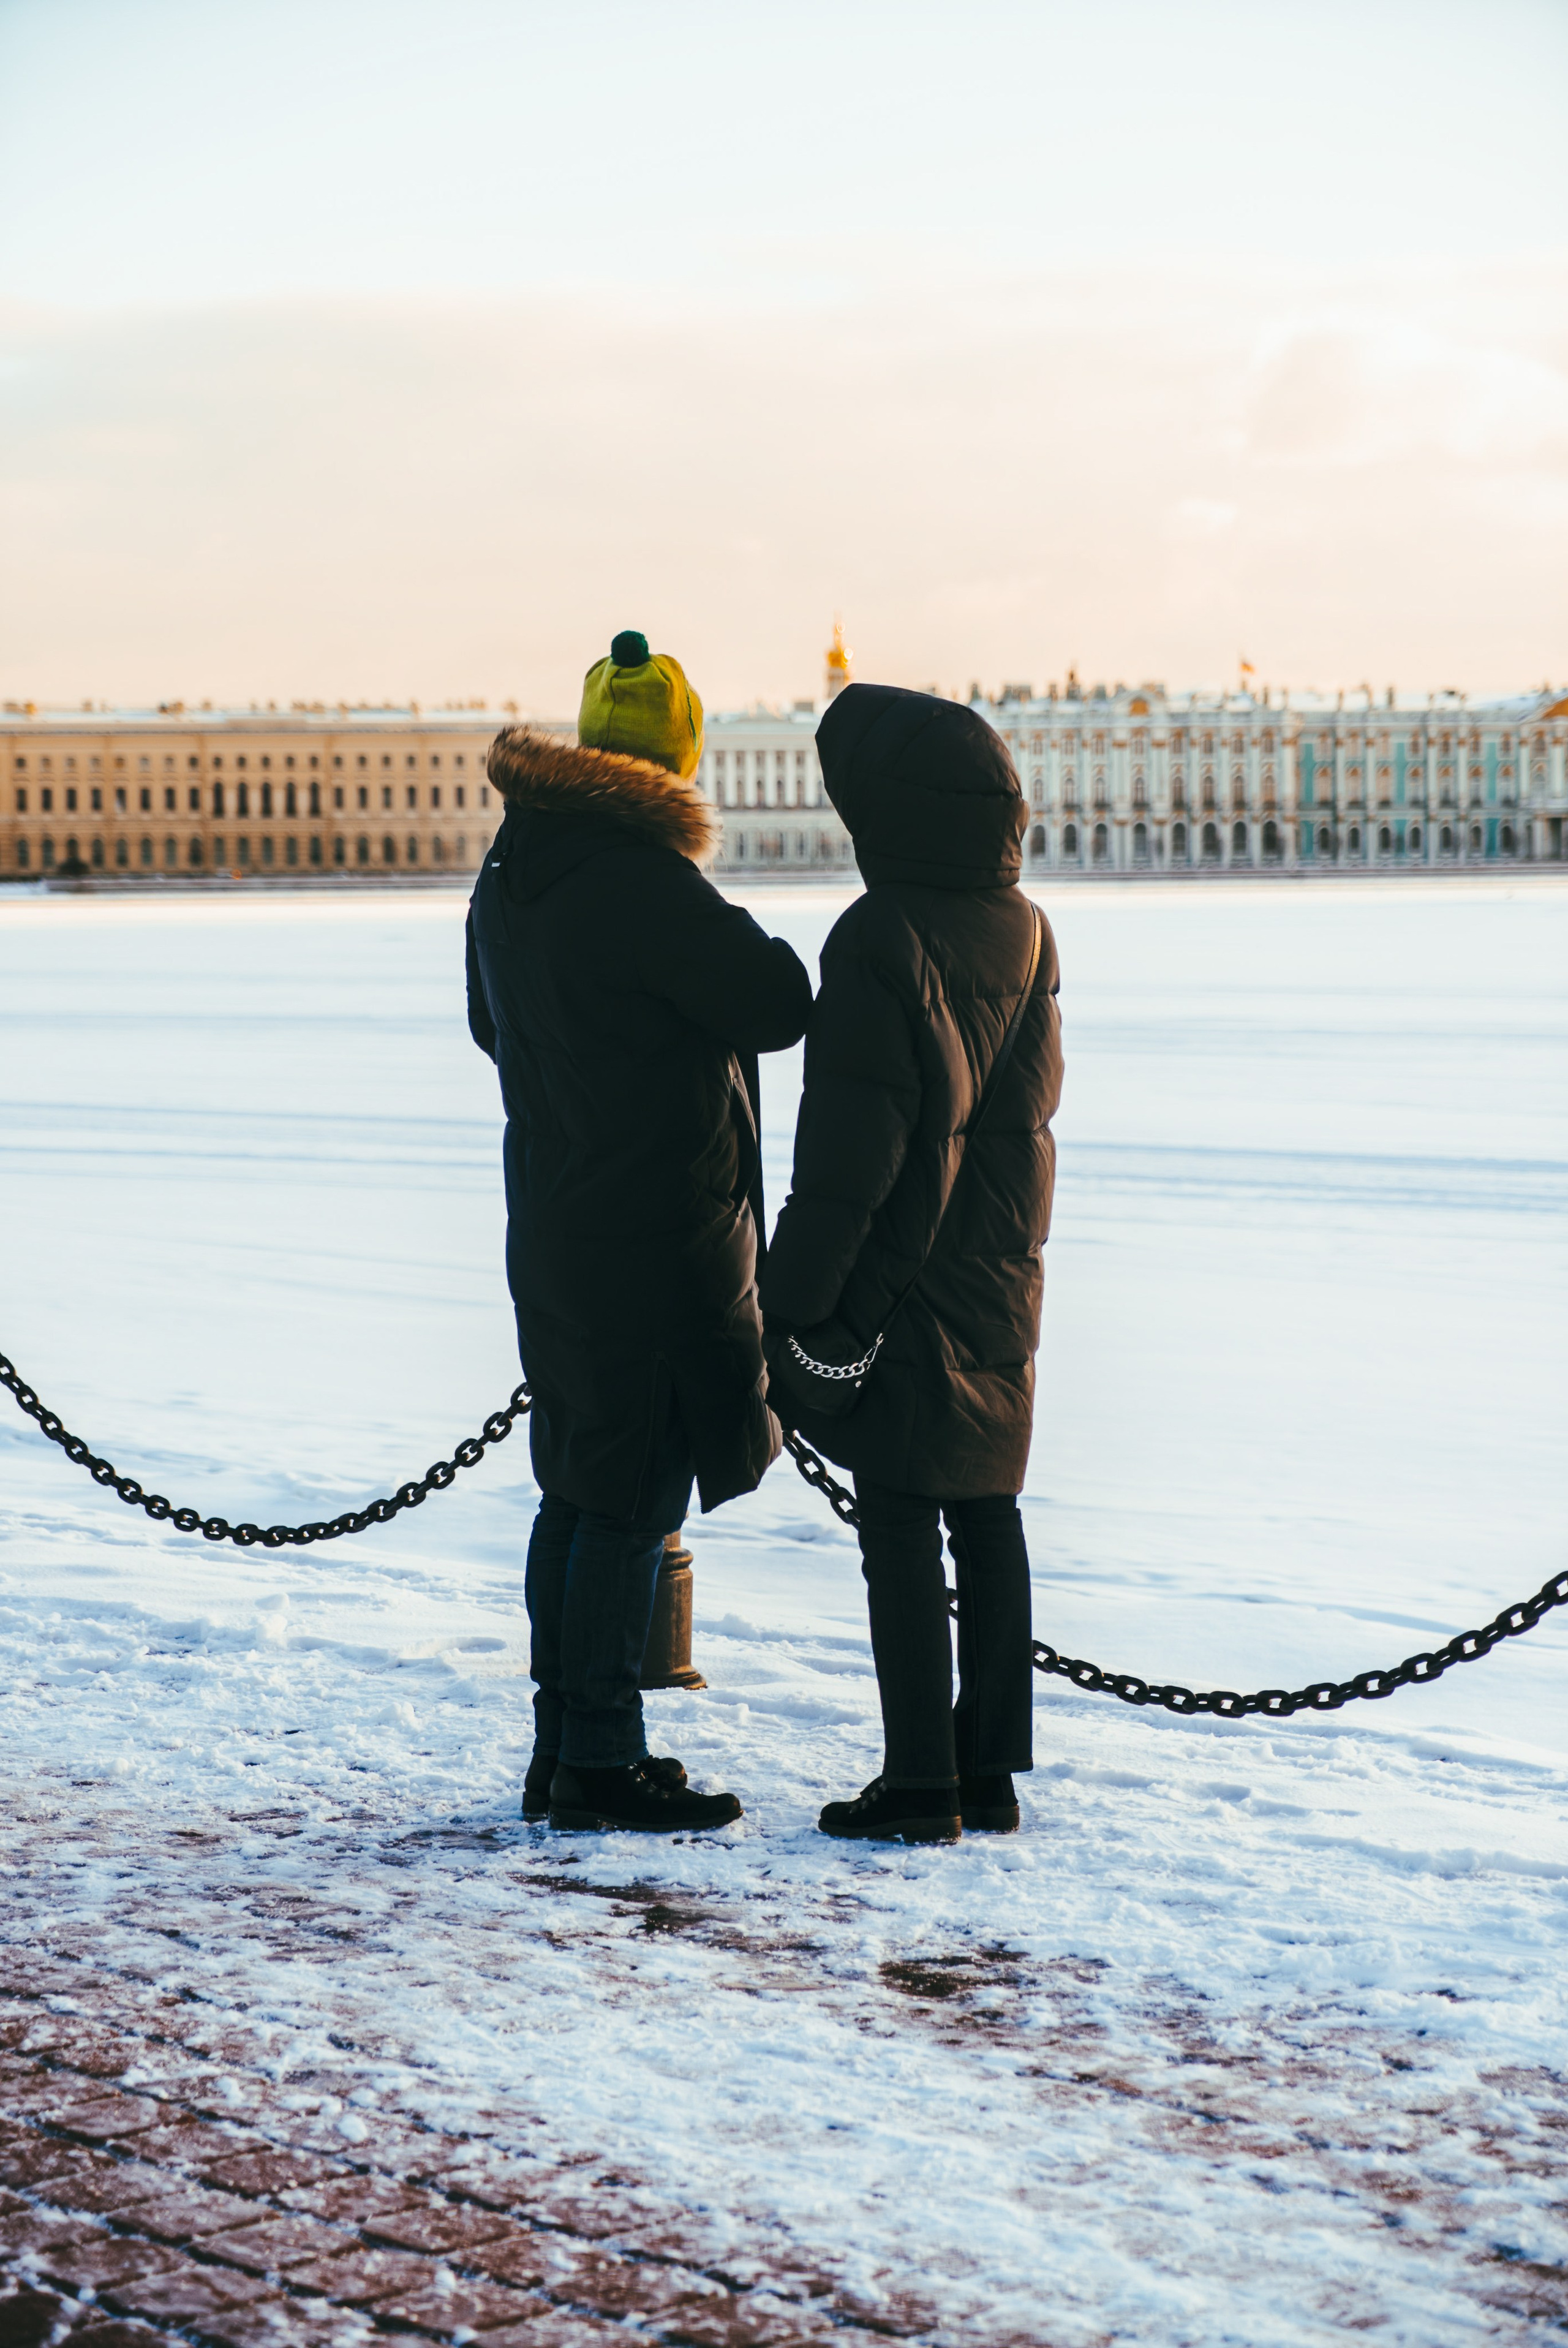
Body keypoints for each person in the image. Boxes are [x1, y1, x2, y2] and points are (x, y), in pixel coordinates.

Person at [467, 631, 812, 1833]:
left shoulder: (515, 872)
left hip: (556, 1223)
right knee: (626, 1496)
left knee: (577, 1486)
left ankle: (564, 1747)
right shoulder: (644, 879)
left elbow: (485, 1026)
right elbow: (776, 1002)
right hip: (655, 1235)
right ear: (675, 761)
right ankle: (601, 1766)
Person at [759, 682, 1063, 1844]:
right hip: (1004, 1264)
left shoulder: (878, 934)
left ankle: (918, 1781)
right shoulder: (1029, 925)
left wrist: (793, 1303)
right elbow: (1022, 1110)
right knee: (988, 1512)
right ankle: (987, 1773)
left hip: (906, 1278)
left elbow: (854, 1157)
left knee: (898, 1522)